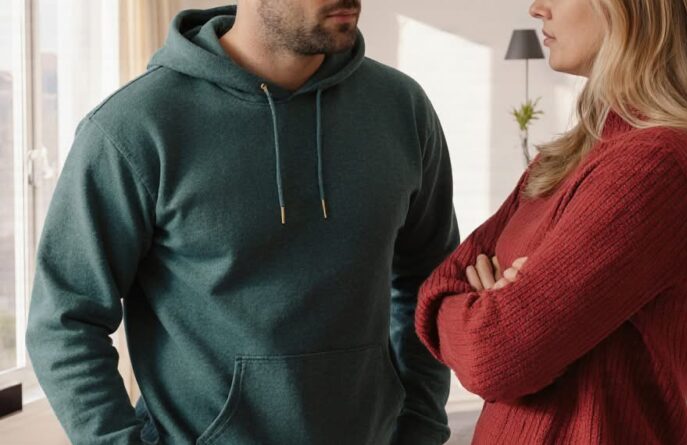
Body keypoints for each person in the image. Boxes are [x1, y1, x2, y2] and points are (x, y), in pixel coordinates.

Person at [26, 1, 458, 444]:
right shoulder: (135, 126)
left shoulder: (401, 108)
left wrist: (422, 425)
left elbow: (432, 281)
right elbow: (64, 320)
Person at [415, 0, 687, 443]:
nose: (537, 8)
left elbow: (492, 357)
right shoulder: (569, 156)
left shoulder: (659, 167)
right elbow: (439, 288)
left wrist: (488, 311)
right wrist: (486, 311)